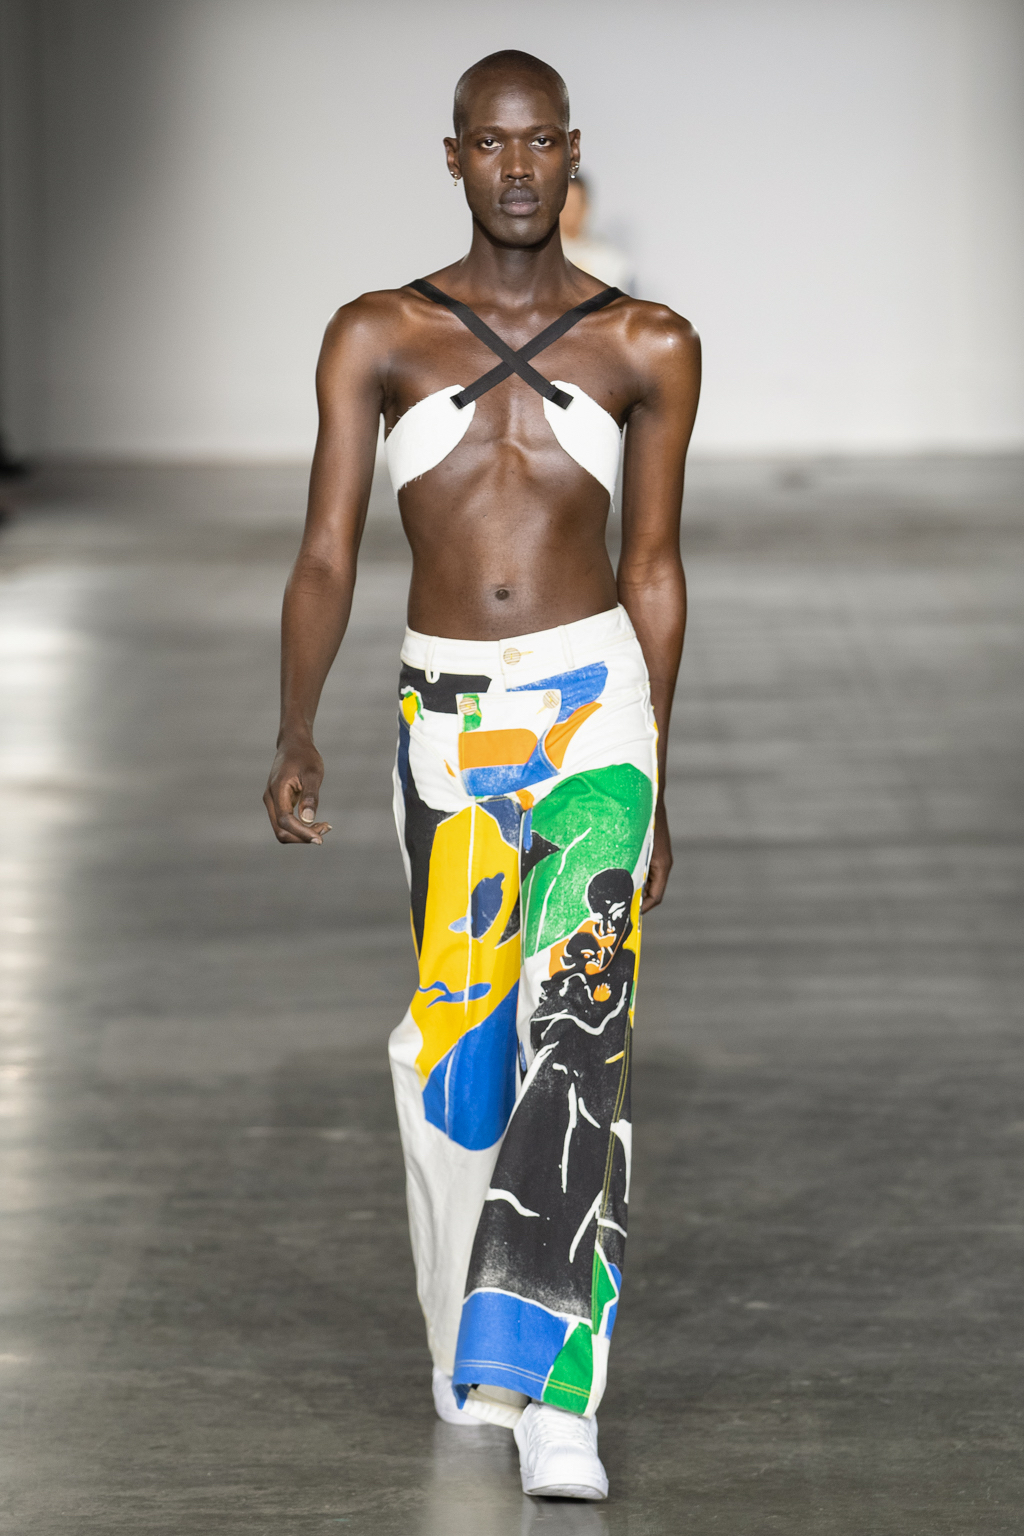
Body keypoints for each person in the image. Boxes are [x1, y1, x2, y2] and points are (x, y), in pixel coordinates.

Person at [264, 48, 700, 1503]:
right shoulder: (375, 335)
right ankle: (477, 1346)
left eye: (541, 143)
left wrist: (658, 769)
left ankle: (561, 1396)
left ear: (572, 154)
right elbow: (326, 551)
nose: (519, 168)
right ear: (452, 156)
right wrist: (296, 727)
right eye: (491, 145)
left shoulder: (648, 343)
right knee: (459, 1045)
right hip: (442, 724)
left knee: (580, 1029)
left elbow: (653, 566)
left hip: (594, 715)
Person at [559, 171, 632, 290]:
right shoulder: (542, 259)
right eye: (565, 206)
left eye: (574, 206)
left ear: (585, 207)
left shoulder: (610, 260)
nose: (569, 214)